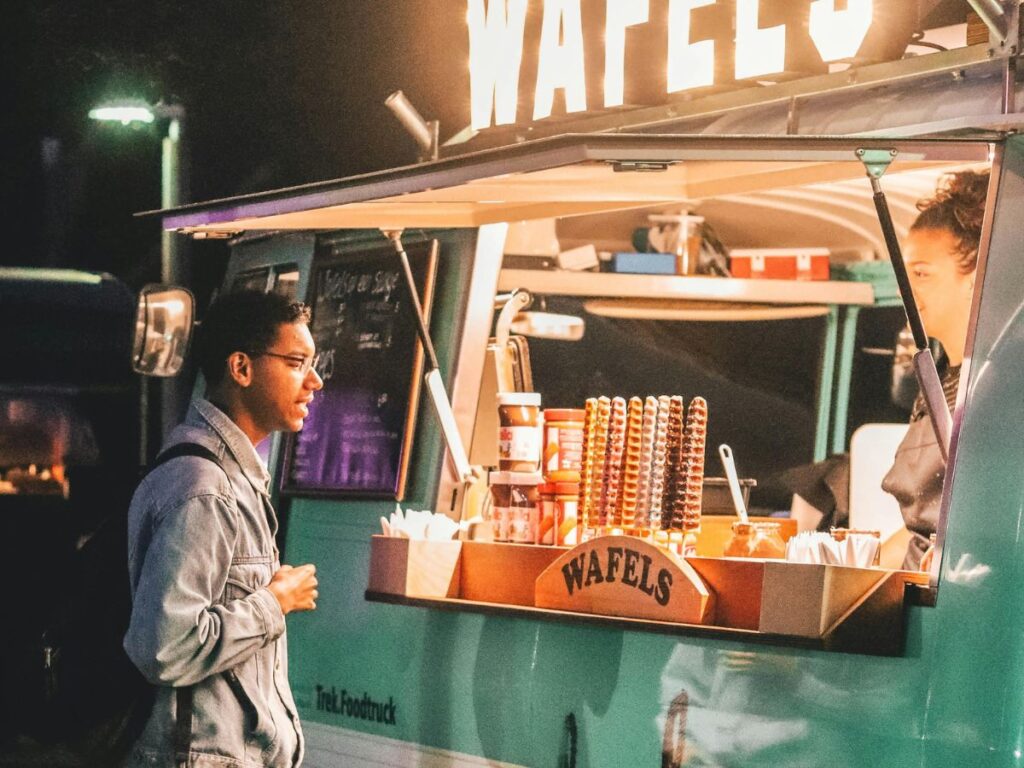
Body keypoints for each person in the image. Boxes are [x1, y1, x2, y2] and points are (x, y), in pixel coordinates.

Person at [123, 290, 323, 767]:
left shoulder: (228, 477)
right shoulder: (205, 487)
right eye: (297, 362)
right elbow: (165, 647)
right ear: (241, 368)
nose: (314, 381)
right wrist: (274, 603)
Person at [882, 169, 989, 569]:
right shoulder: (935, 379)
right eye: (904, 276)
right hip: (914, 599)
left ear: (975, 280)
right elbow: (917, 535)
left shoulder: (1002, 387)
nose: (904, 291)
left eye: (922, 274)